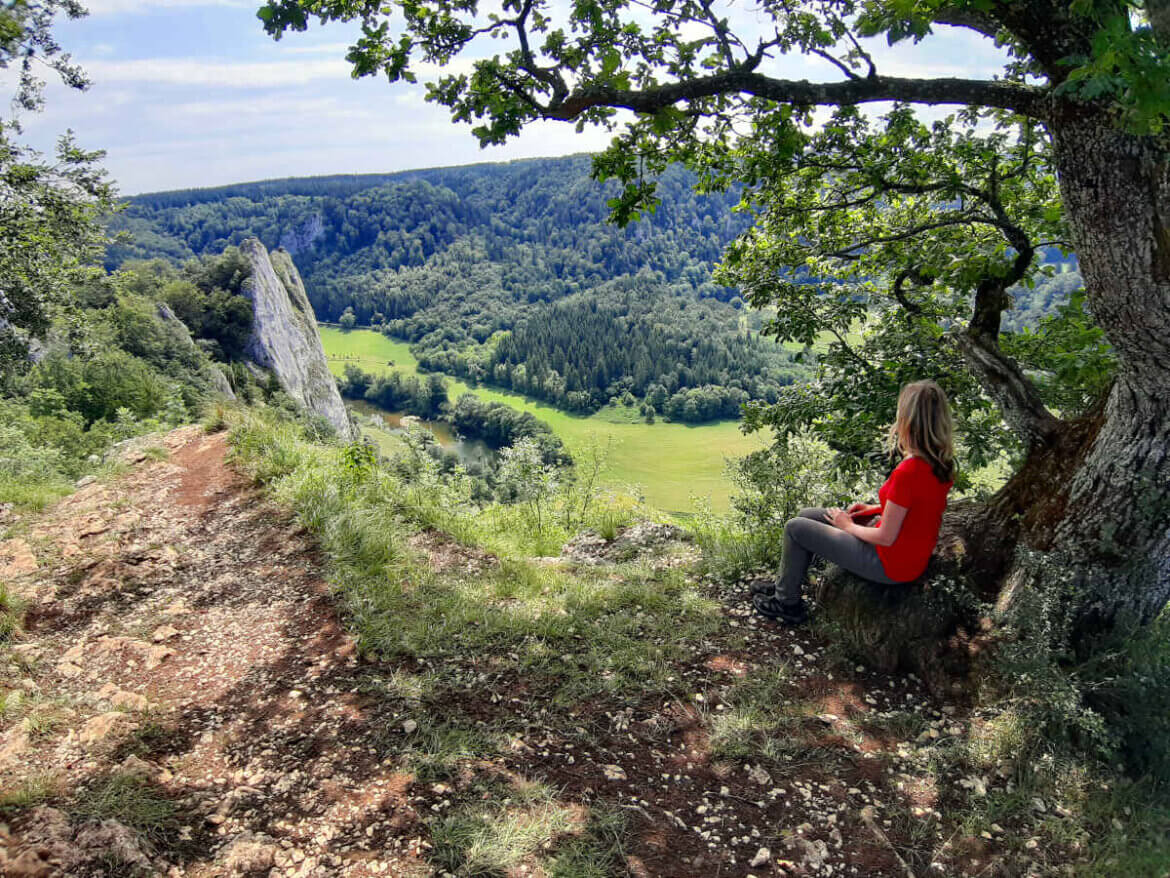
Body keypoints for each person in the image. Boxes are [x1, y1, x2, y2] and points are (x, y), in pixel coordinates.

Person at [752, 380, 956, 626]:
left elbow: (886, 537)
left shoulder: (909, 470)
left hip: (889, 564)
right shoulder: (940, 463)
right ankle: (787, 581)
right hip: (908, 556)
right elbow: (918, 507)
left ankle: (787, 604)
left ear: (907, 421)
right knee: (808, 514)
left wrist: (846, 525)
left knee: (795, 528)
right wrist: (874, 509)